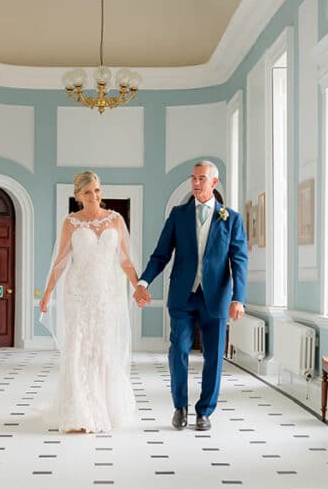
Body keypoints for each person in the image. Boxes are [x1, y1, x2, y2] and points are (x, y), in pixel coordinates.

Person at [134, 161, 247, 431]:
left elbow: (239, 260)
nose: (196, 183)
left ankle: (204, 411)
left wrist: (238, 298)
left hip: (216, 298)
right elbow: (161, 254)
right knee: (179, 350)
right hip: (183, 296)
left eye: (202, 179)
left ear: (214, 182)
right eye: (193, 178)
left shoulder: (231, 218)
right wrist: (143, 281)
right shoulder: (178, 215)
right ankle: (180, 407)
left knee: (214, 357)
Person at [39, 170, 138, 433]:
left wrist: (138, 285)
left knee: (102, 350)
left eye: (97, 190)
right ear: (78, 196)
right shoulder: (71, 223)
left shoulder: (115, 220)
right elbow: (60, 262)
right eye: (87, 192)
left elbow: (125, 261)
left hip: (106, 296)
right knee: (78, 349)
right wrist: (48, 292)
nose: (94, 196)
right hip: (78, 295)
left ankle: (104, 408)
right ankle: (79, 411)